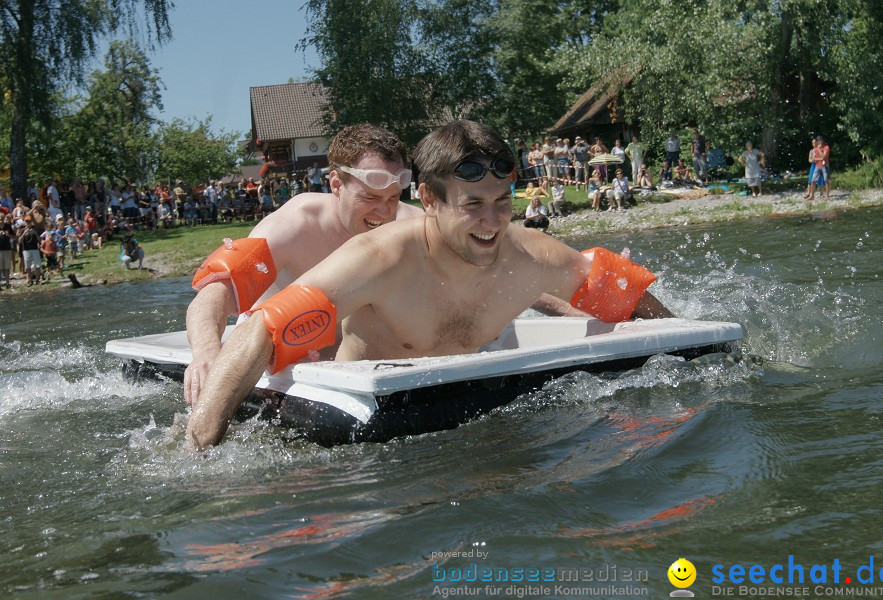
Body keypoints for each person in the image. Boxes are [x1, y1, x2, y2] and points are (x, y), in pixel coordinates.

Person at [186, 120, 672, 449]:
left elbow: (595, 279)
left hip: (461, 410)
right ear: (336, 183)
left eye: (502, 201)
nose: (492, 221)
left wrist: (603, 320)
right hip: (345, 397)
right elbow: (239, 308)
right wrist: (203, 407)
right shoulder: (345, 244)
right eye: (472, 205)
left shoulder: (506, 244)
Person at [183, 124, 425, 405]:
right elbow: (214, 292)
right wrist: (206, 353)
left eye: (393, 198)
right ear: (336, 184)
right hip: (275, 352)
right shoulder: (294, 225)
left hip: (355, 355)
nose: (384, 213)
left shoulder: (413, 227)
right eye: (370, 197)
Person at [808, 136, 830, 200]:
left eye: (821, 140)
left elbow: (824, 156)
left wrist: (819, 150)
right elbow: (813, 158)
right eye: (818, 141)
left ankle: (827, 196)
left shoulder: (826, 147)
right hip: (817, 166)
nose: (819, 142)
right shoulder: (815, 149)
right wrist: (820, 158)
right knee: (813, 180)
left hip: (825, 166)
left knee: (826, 180)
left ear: (823, 141)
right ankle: (812, 196)